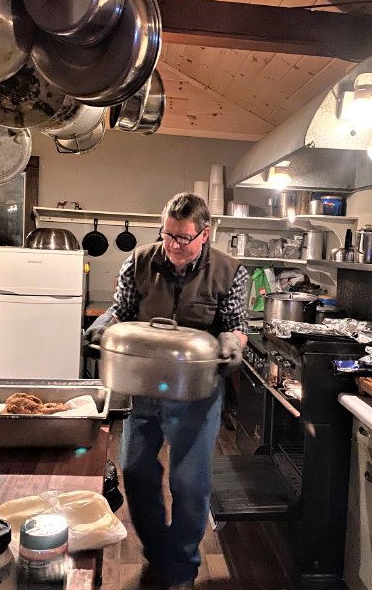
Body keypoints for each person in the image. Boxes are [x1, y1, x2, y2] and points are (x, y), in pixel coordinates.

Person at [85, 193, 248, 590]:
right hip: (144, 387)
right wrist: (101, 326)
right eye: (168, 235)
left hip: (197, 392)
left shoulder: (230, 270)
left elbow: (235, 324)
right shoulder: (139, 261)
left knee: (189, 484)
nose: (173, 245)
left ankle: (184, 567)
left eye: (183, 238)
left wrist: (233, 343)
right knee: (136, 472)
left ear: (205, 234)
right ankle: (158, 552)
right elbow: (122, 311)